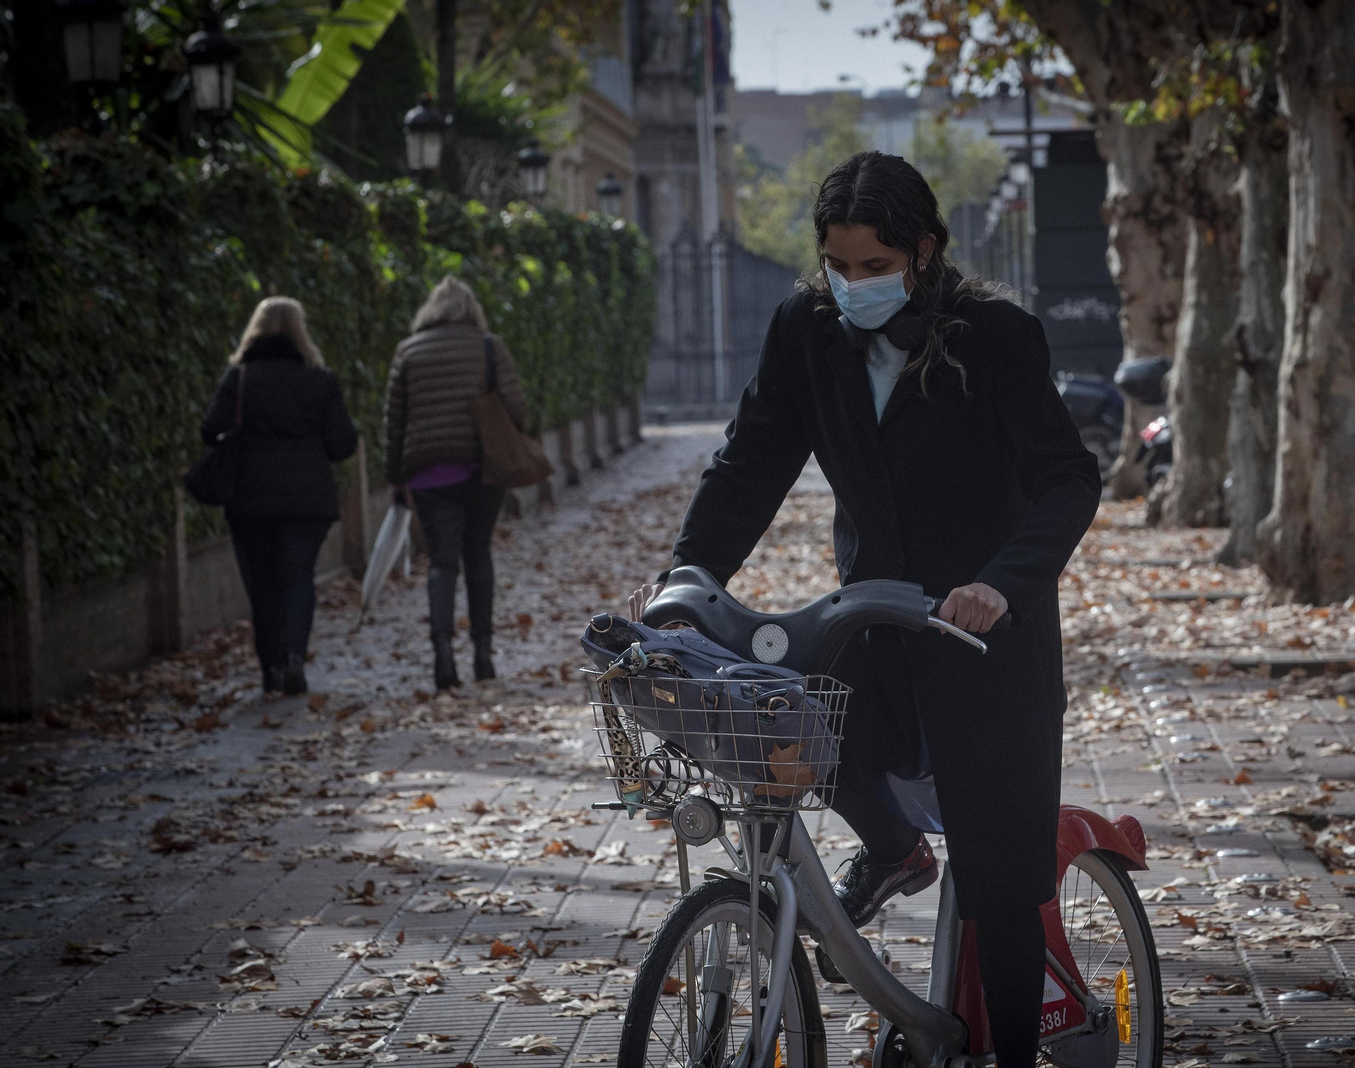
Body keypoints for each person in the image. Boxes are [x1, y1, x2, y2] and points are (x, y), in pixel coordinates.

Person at [629, 151, 1100, 1066]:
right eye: (839, 267)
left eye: (875, 267)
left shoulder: (995, 336)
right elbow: (749, 464)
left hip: (983, 638)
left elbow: (1065, 481)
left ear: (923, 252)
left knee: (1004, 890)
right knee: (790, 731)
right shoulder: (805, 329)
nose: (854, 286)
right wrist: (687, 579)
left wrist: (1002, 582)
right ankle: (894, 851)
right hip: (872, 619)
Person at [201, 297, 358, 696]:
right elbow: (342, 444)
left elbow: (210, 429)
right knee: (298, 577)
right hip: (307, 499)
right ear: (301, 331)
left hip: (250, 497)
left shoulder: (239, 378)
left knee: (263, 583)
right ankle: (294, 658)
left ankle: (269, 667)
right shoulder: (320, 379)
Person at [384, 276, 526, 691]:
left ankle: (443, 655)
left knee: (442, 562)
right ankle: (483, 655)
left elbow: (394, 422)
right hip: (482, 469)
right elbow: (515, 405)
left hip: (430, 475)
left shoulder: (407, 352)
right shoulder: (488, 345)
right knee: (478, 554)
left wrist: (396, 478)